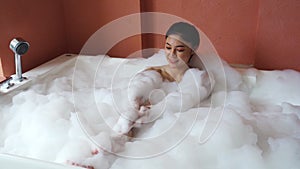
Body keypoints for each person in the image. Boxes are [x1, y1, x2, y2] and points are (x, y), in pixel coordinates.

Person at [112, 22, 214, 136]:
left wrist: (153, 112)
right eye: (168, 47)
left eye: (179, 50)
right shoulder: (152, 73)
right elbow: (131, 102)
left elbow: (184, 102)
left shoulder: (199, 79)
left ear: (192, 50)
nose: (172, 54)